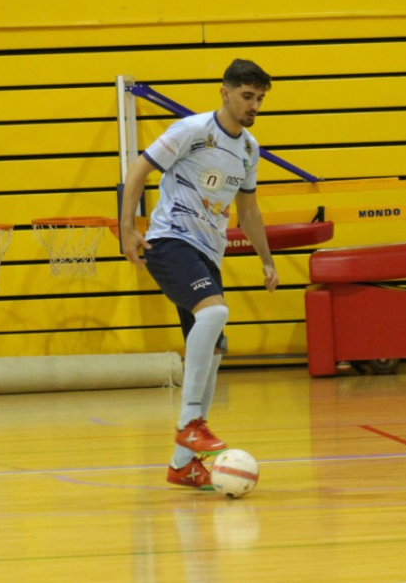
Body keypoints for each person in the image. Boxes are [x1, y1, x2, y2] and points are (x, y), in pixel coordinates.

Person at [119, 59, 278, 490]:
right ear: (224, 92)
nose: (254, 106)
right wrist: (128, 227)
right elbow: (139, 169)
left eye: (260, 98)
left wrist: (266, 259)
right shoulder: (193, 131)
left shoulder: (248, 148)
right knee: (214, 314)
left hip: (209, 254)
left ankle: (182, 465)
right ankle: (190, 422)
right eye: (248, 96)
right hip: (170, 242)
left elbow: (247, 208)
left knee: (212, 356)